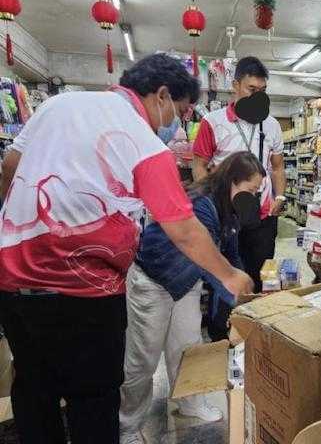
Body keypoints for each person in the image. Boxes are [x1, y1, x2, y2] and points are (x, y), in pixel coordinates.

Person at [0, 54, 253, 444]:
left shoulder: (58, 104)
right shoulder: (143, 142)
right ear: (162, 95)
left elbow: (11, 167)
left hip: (15, 282)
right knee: (94, 397)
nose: (175, 125)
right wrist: (230, 275)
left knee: (34, 389)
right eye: (179, 113)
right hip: (86, 293)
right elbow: (183, 229)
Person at [120, 151, 265, 444]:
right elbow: (207, 261)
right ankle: (126, 426)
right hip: (154, 280)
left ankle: (190, 403)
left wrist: (248, 291)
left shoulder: (230, 208)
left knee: (187, 348)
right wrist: (236, 297)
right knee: (143, 359)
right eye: (251, 190)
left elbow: (231, 255)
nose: (253, 197)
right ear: (232, 181)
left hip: (186, 283)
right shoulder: (202, 204)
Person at [192, 56, 286, 294]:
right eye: (251, 89)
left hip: (262, 216)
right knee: (223, 277)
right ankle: (222, 329)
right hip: (226, 216)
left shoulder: (272, 124)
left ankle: (254, 326)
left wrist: (280, 198)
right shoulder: (212, 122)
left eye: (262, 91)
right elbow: (200, 164)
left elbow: (277, 167)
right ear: (235, 85)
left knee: (260, 276)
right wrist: (210, 204)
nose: (257, 96)